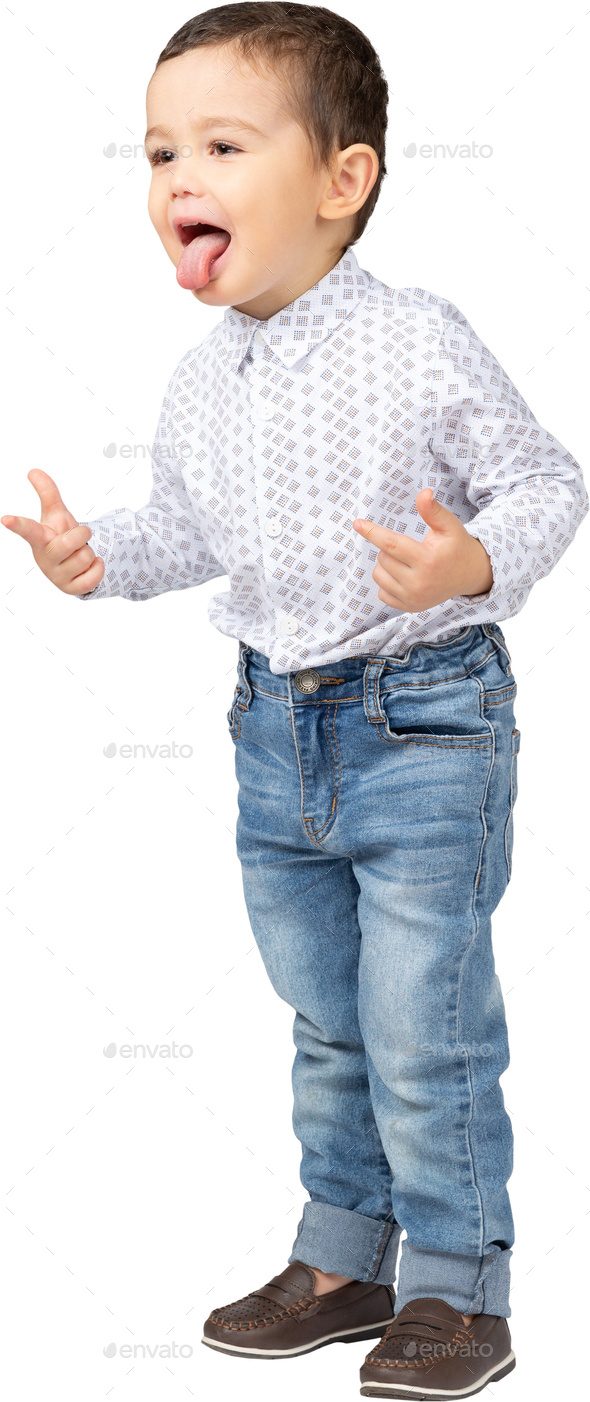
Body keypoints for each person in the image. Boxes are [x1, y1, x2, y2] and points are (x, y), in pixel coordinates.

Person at [3, 5, 587, 1396]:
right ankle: (344, 1257)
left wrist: (469, 561)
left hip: (420, 725)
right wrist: (98, 562)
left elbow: (547, 483)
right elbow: (191, 533)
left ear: (343, 180)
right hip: (274, 737)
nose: (176, 180)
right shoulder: (206, 377)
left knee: (418, 1018)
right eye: (157, 154)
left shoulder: (416, 337)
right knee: (324, 1014)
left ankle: (457, 1289)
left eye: (219, 144)